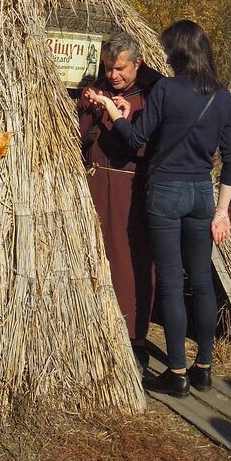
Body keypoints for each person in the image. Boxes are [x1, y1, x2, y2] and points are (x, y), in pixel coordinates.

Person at [86, 20, 231, 397]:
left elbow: (137, 137)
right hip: (202, 194)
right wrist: (222, 212)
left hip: (166, 192)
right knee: (201, 281)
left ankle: (176, 372)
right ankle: (203, 368)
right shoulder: (221, 96)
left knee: (171, 283)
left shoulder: (167, 90)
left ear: (179, 53)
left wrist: (111, 108)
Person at [78, 31, 162, 372]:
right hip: (97, 186)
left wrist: (118, 115)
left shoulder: (150, 96)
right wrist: (88, 106)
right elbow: (81, 137)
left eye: (121, 69)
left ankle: (134, 337)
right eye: (109, 68)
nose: (114, 75)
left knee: (132, 261)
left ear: (137, 64)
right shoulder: (98, 90)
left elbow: (145, 145)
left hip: (131, 192)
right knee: (99, 258)